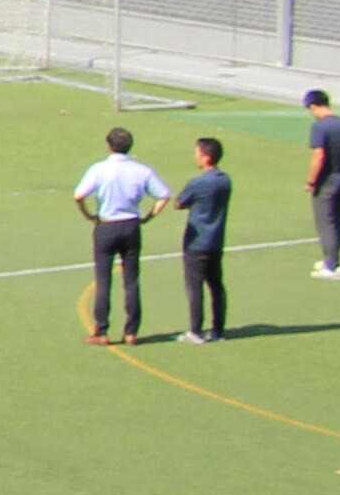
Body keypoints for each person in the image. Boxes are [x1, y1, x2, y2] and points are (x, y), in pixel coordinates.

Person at [72, 126, 172, 348]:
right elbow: (164, 195)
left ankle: (102, 330)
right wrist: (148, 217)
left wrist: (88, 214)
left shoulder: (99, 169)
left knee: (104, 280)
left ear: (109, 146)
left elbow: (78, 195)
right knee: (132, 281)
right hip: (131, 226)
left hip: (107, 226)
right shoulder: (142, 170)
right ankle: (131, 332)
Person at [175, 136, 235, 346]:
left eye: (198, 152)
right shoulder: (225, 180)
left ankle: (195, 330)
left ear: (206, 157)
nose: (195, 156)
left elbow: (179, 203)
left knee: (195, 288)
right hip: (216, 241)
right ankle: (218, 329)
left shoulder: (198, 183)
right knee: (216, 286)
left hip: (196, 242)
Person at [303, 92, 340, 280]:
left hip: (326, 181)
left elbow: (319, 155)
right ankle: (331, 258)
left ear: (313, 106)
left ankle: (331, 265)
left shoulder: (320, 127)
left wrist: (311, 181)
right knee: (336, 220)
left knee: (325, 223)